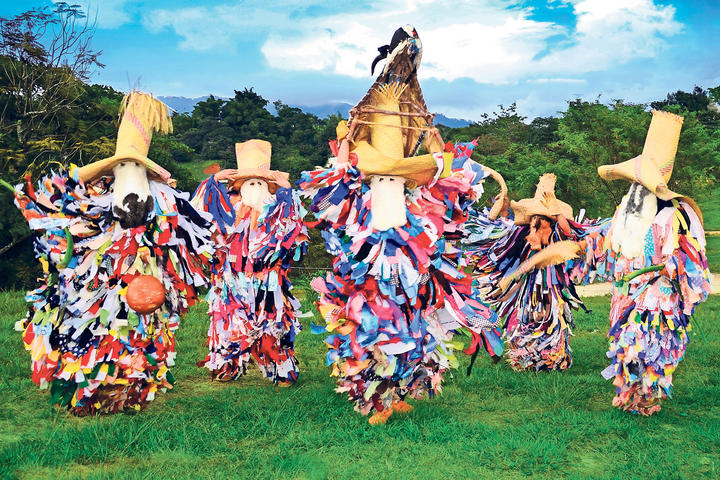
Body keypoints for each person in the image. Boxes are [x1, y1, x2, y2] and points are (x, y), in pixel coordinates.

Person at [298, 26, 506, 424]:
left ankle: (401, 388)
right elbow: (369, 168)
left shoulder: (402, 164)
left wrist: (431, 155)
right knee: (373, 315)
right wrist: (419, 161)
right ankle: (375, 397)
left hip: (408, 242)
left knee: (411, 311)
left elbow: (437, 172)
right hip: (371, 243)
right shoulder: (361, 151)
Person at [5, 91, 214, 414]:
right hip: (97, 286)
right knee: (98, 332)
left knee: (137, 335)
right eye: (123, 166)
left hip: (143, 286)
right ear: (111, 171)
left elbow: (186, 241)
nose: (130, 171)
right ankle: (91, 389)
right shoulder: (93, 201)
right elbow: (52, 196)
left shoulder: (164, 203)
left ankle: (127, 390)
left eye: (135, 165)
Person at [568, 110, 711, 415]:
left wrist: (673, 267)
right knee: (628, 345)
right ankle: (632, 394)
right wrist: (585, 246)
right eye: (635, 184)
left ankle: (648, 397)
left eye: (642, 185)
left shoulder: (673, 217)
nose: (635, 192)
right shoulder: (624, 213)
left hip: (657, 298)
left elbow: (688, 258)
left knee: (651, 344)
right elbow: (608, 243)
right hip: (625, 293)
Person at [192, 140, 308, 385]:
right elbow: (200, 213)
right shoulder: (227, 211)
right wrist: (212, 183)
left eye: (260, 182)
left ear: (269, 187)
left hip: (268, 281)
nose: (255, 187)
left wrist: (286, 191)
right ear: (239, 187)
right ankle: (228, 365)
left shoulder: (278, 210)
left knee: (273, 323)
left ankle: (281, 367)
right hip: (231, 280)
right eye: (249, 183)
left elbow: (294, 227)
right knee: (229, 322)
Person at [465, 174, 609, 371]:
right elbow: (495, 230)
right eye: (532, 221)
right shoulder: (523, 231)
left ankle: (551, 357)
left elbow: (571, 234)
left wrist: (556, 212)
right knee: (526, 313)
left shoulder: (557, 232)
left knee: (550, 315)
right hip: (528, 283)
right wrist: (500, 207)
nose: (533, 229)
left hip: (551, 283)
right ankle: (526, 356)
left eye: (538, 222)